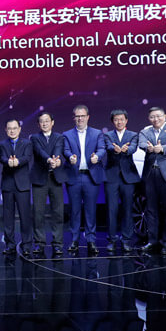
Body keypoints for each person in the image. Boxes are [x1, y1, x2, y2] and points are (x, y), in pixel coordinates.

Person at [138, 107, 166, 255]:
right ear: (149, 119)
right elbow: (141, 143)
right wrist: (149, 148)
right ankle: (152, 241)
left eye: (158, 116)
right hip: (151, 174)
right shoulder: (145, 132)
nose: (155, 119)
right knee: (151, 210)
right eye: (152, 117)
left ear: (165, 116)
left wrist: (161, 148)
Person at [63, 104, 107, 254]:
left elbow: (102, 149)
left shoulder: (97, 133)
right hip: (74, 176)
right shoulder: (67, 134)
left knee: (90, 210)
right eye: (77, 116)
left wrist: (97, 157)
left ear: (88, 117)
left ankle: (91, 240)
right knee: (74, 210)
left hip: (90, 176)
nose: (80, 119)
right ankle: (74, 240)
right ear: (74, 118)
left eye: (82, 116)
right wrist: (70, 157)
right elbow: (66, 150)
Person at [103, 109, 141, 254]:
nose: (119, 122)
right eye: (116, 119)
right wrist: (115, 150)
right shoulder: (107, 135)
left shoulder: (133, 135)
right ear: (113, 121)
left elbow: (133, 148)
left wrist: (125, 150)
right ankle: (112, 240)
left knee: (128, 209)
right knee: (111, 210)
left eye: (121, 119)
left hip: (128, 177)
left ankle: (126, 240)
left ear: (126, 120)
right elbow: (108, 147)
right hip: (111, 176)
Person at [30, 111, 68, 256]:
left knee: (58, 212)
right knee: (38, 213)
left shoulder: (59, 137)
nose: (44, 123)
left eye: (47, 121)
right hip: (39, 178)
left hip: (55, 178)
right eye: (42, 121)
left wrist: (56, 159)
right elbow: (39, 151)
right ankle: (39, 243)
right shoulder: (34, 138)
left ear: (52, 122)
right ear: (38, 124)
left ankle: (57, 243)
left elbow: (58, 149)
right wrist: (49, 160)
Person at [0, 119, 34, 256]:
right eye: (9, 128)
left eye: (14, 128)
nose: (12, 131)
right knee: (8, 217)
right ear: (6, 130)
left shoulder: (27, 143)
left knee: (25, 216)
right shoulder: (2, 144)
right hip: (7, 184)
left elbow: (27, 157)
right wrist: (8, 162)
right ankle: (10, 245)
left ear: (19, 129)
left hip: (22, 185)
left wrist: (17, 161)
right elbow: (2, 158)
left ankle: (27, 244)